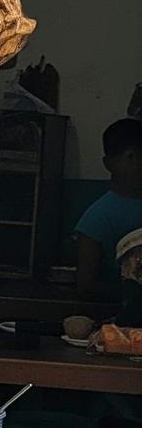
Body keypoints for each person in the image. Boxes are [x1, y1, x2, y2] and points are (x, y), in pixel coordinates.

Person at [76, 118, 142, 299]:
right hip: (120, 319)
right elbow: (85, 286)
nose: (136, 163)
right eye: (129, 156)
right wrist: (132, 292)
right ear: (108, 163)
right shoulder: (97, 218)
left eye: (138, 155)